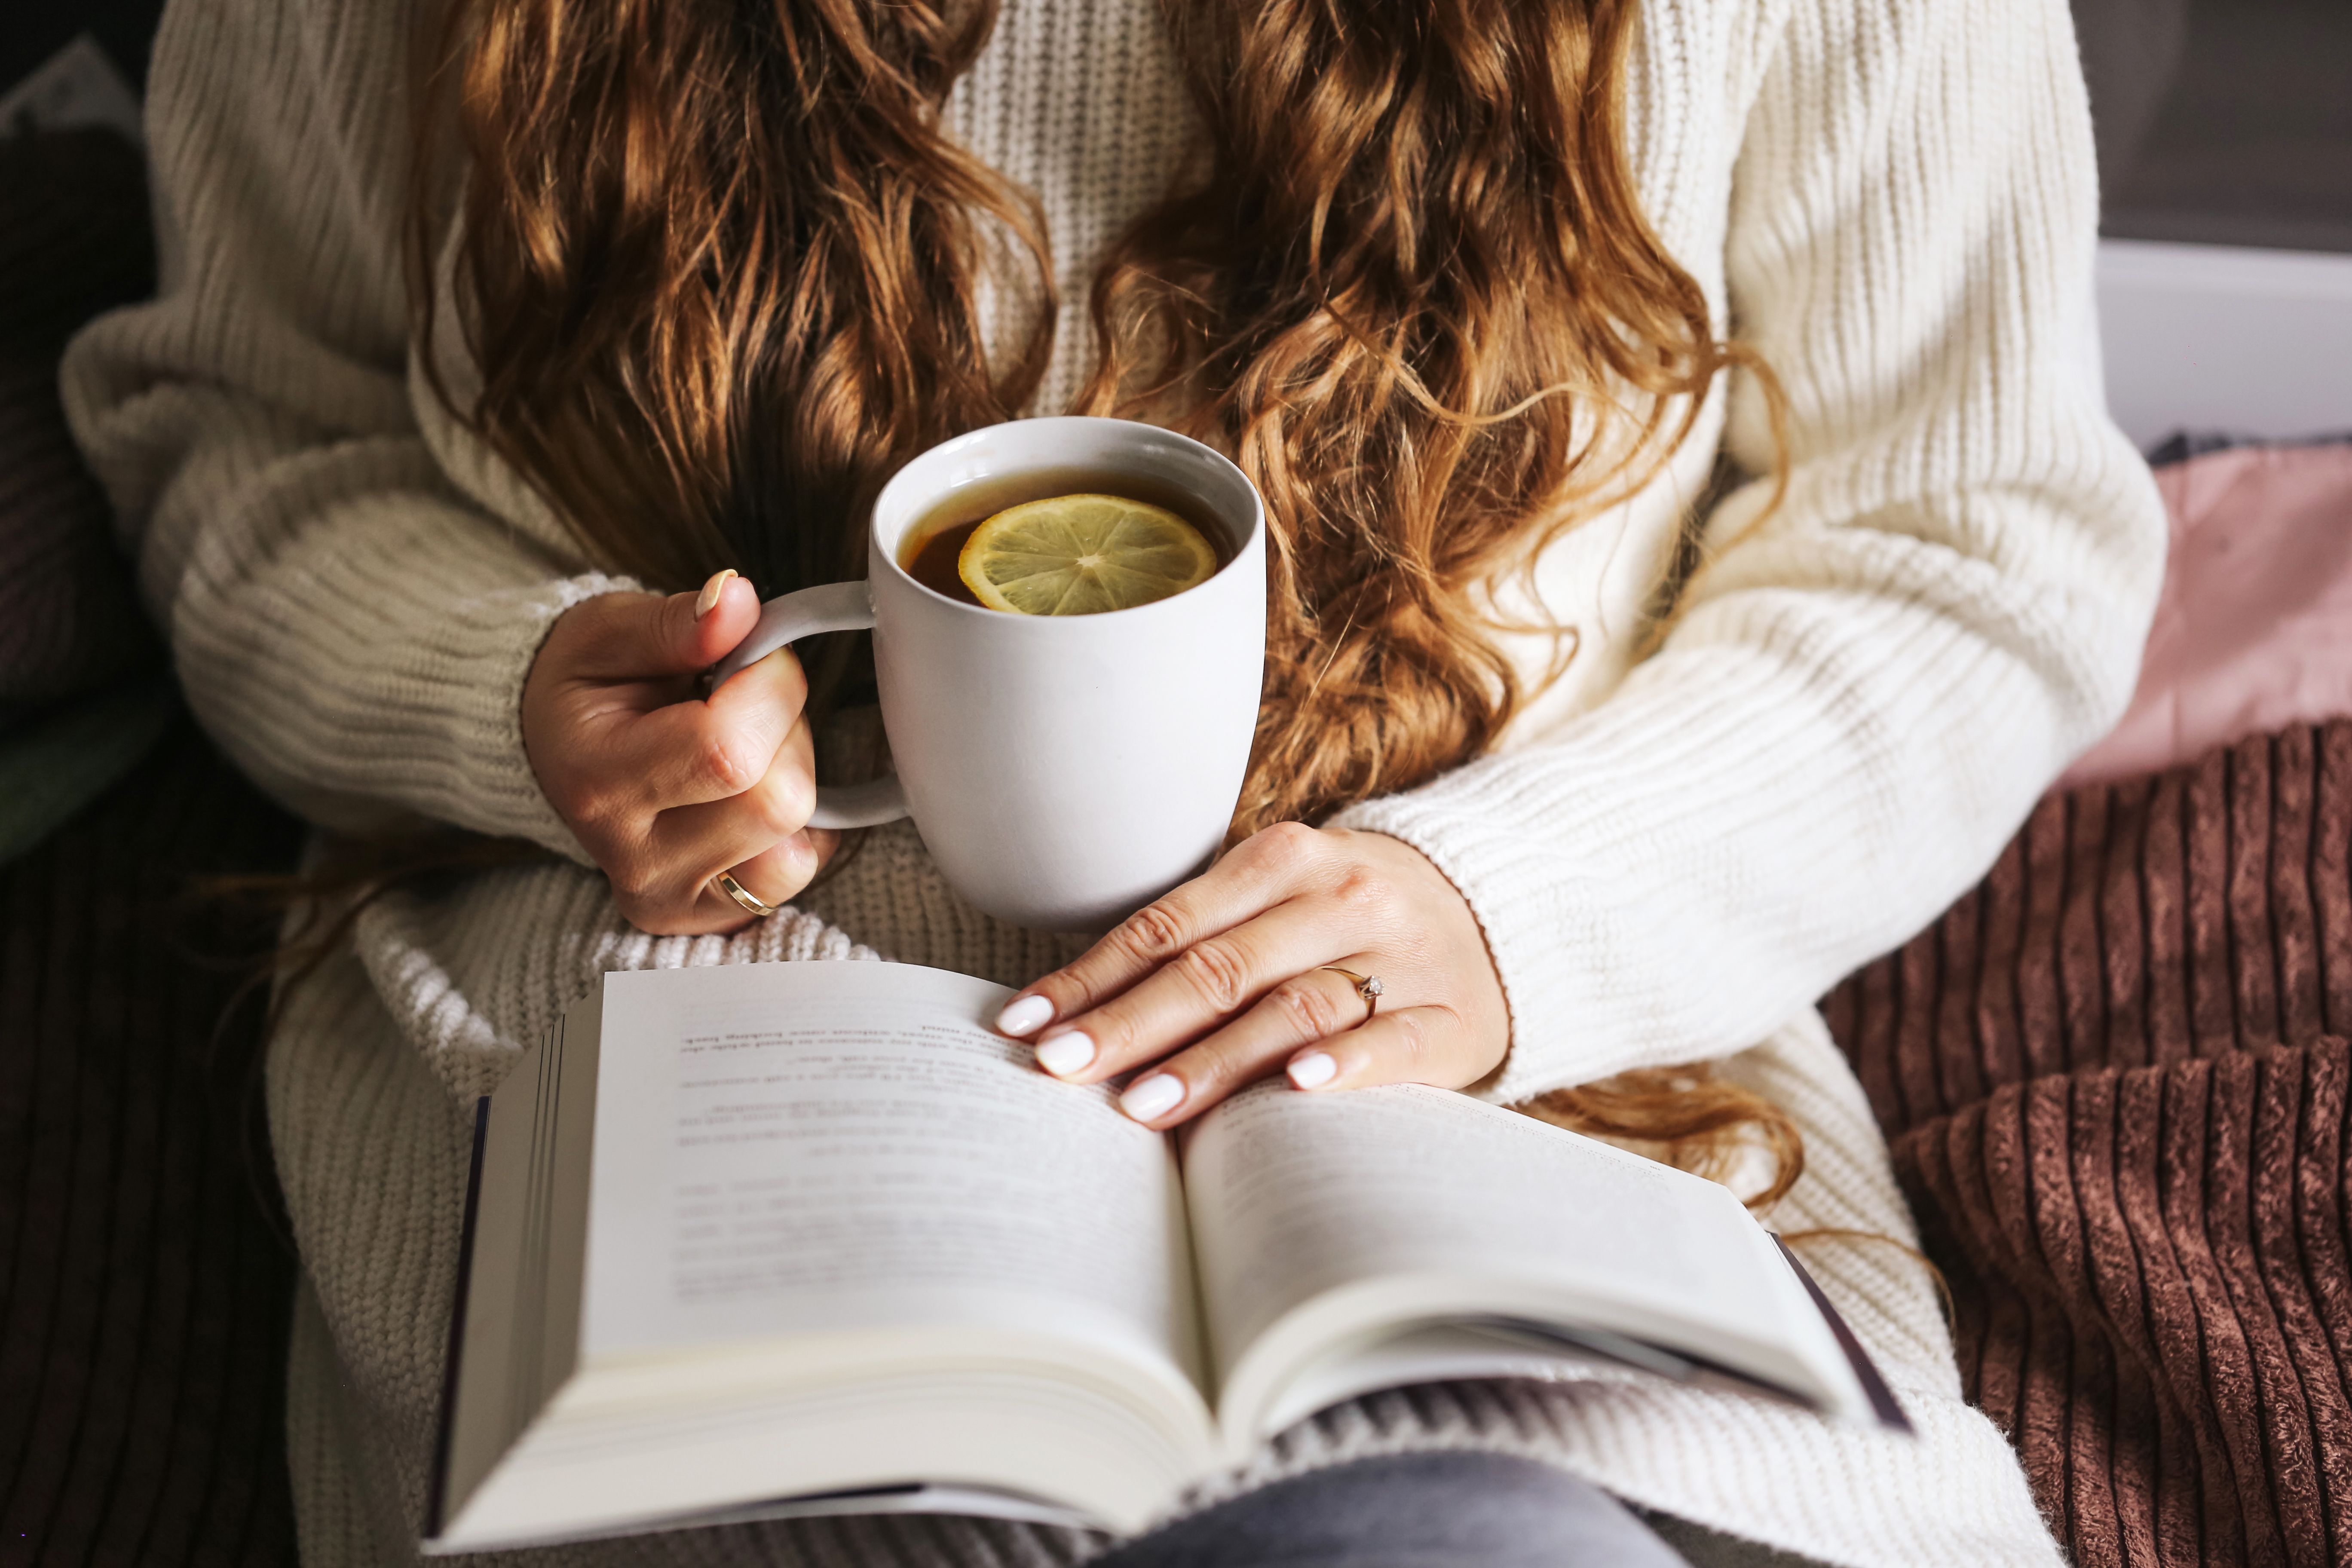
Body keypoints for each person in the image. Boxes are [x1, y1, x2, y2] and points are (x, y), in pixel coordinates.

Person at [61, 0, 2164, 1562]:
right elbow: (251, 439)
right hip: (652, 1115)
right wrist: (513, 692)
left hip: (1536, 1106)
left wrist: (1515, 909)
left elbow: (1965, 541)